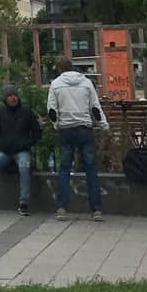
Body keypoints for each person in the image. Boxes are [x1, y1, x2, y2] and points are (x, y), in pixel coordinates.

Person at [47, 58, 109, 220]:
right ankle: (96, 210)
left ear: (60, 69)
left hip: (66, 130)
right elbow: (95, 107)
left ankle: (62, 208)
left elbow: (52, 110)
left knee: (65, 168)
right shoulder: (87, 83)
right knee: (90, 168)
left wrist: (56, 125)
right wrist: (103, 125)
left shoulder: (56, 84)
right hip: (84, 128)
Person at [0, 82, 43, 215]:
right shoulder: (0, 113)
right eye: (10, 96)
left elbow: (37, 133)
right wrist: (1, 144)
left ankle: (24, 203)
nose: (13, 98)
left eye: (15, 95)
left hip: (22, 151)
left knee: (24, 167)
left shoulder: (26, 112)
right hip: (5, 151)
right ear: (5, 98)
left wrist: (26, 144)